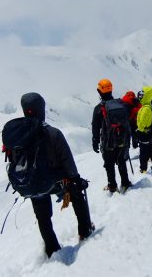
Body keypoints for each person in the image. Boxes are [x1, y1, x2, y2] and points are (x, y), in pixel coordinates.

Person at [20, 92, 94, 258]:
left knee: (43, 217)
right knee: (76, 194)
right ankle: (85, 230)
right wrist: (76, 179)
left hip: (33, 184)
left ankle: (52, 248)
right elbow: (67, 160)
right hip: (56, 181)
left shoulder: (17, 136)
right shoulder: (53, 133)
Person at [91, 79, 132, 193]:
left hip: (108, 143)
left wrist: (95, 141)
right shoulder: (121, 104)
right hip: (122, 140)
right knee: (121, 161)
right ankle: (125, 183)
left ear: (99, 92)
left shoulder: (99, 108)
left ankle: (113, 186)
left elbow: (95, 127)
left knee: (109, 165)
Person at [136, 86, 152, 173]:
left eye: (142, 94)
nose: (140, 96)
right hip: (148, 133)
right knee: (150, 150)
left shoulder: (146, 108)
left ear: (146, 96)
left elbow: (142, 122)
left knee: (143, 152)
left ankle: (143, 169)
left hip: (144, 134)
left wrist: (139, 130)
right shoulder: (147, 106)